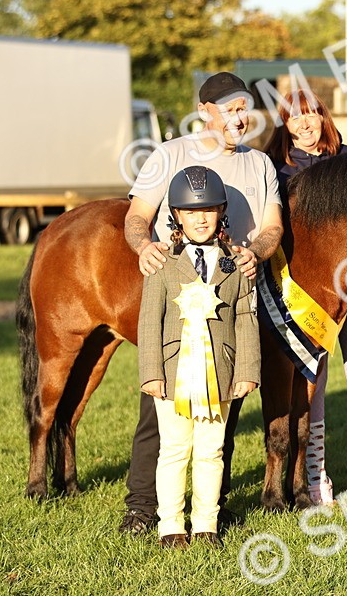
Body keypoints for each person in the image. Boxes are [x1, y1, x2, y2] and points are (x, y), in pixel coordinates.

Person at [120, 71, 284, 535]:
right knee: (161, 409)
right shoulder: (170, 154)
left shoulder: (260, 165)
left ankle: (211, 507)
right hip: (175, 287)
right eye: (231, 110)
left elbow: (272, 226)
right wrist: (142, 248)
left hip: (234, 284)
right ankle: (142, 505)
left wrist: (258, 252)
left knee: (222, 400)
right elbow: (137, 217)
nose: (241, 118)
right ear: (205, 111)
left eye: (245, 109)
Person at [269, 90, 347, 507]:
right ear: (284, 125)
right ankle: (317, 479)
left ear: (324, 117)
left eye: (312, 114)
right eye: (294, 117)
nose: (304, 123)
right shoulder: (276, 169)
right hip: (304, 302)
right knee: (313, 387)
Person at [138, 166, 260, 548]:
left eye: (208, 210)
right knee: (174, 450)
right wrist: (150, 373)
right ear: (176, 215)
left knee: (212, 450)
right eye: (191, 212)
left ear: (222, 212)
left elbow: (245, 316)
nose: (201, 218)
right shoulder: (162, 263)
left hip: (220, 373)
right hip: (172, 374)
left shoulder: (236, 265)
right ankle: (170, 526)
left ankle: (207, 524)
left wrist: (247, 370)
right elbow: (148, 320)